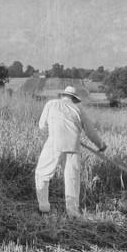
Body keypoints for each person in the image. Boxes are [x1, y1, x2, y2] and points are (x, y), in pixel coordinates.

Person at [35, 86, 107, 216]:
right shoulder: (78, 109)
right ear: (74, 99)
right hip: (73, 146)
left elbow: (42, 126)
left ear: (63, 95)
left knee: (42, 174)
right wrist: (100, 144)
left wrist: (54, 129)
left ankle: (44, 208)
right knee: (72, 179)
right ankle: (73, 213)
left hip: (54, 143)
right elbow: (91, 131)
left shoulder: (51, 103)